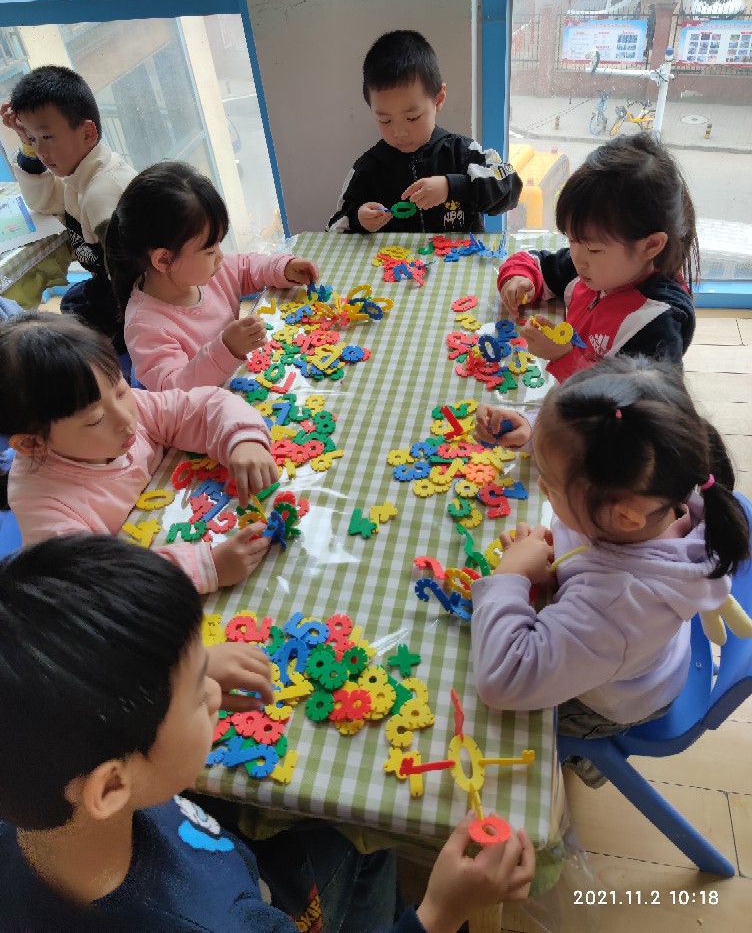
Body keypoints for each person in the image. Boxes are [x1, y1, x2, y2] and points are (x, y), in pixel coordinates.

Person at [0, 534, 536, 931]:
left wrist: (185, 675)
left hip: (213, 858)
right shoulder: (220, 924)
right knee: (358, 840)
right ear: (113, 785)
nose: (214, 695)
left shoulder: (34, 774)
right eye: (199, 695)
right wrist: (440, 912)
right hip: (270, 904)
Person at [470, 356, 750, 788]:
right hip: (638, 655)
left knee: (501, 727)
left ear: (623, 517)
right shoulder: (665, 490)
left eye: (550, 483)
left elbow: (504, 681)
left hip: (612, 703)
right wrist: (536, 437)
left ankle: (588, 757)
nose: (542, 485)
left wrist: (510, 577)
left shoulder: (615, 605)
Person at [0, 311, 279, 594]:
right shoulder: (45, 509)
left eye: (121, 390)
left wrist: (243, 440)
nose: (126, 419)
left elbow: (205, 405)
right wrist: (204, 568)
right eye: (95, 420)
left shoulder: (128, 408)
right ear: (33, 444)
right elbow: (91, 583)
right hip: (154, 581)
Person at [496, 132, 698, 384]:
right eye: (572, 240)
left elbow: (635, 403)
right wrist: (520, 278)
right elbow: (537, 262)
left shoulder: (656, 325)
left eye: (593, 249)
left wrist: (564, 357)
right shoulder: (595, 268)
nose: (577, 258)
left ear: (651, 245)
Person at [105, 162, 321, 391]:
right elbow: (174, 390)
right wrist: (228, 349)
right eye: (209, 251)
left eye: (219, 244)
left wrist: (282, 268)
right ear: (164, 260)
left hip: (238, 385)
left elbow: (246, 267)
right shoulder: (145, 327)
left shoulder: (205, 273)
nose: (220, 256)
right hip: (203, 408)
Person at [327, 30, 521, 234]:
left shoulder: (462, 152)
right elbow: (334, 226)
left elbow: (510, 187)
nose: (399, 132)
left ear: (438, 100)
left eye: (412, 118)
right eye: (385, 120)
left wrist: (452, 187)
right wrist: (359, 220)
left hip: (460, 255)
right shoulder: (368, 169)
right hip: (395, 255)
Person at [1, 65, 136, 356]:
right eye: (32, 139)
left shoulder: (103, 195)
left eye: (47, 137)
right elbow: (44, 202)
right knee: (71, 305)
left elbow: (137, 281)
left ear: (87, 133)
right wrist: (27, 143)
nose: (40, 151)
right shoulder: (80, 176)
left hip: (129, 309)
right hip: (107, 290)